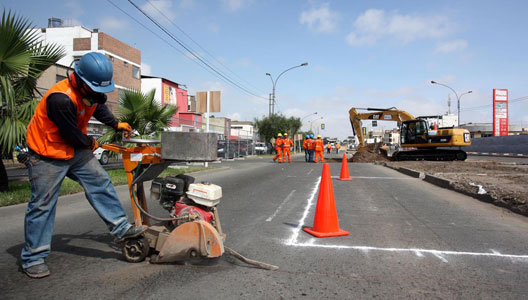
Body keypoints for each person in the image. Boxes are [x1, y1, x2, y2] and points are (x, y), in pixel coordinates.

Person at [20, 52, 145, 279]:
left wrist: (116, 124)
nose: (98, 94)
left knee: (100, 182)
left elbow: (96, 106)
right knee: (43, 204)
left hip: (73, 149)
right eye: (94, 89)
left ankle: (120, 228)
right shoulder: (61, 98)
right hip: (47, 152)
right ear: (79, 79)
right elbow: (72, 134)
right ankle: (33, 257)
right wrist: (91, 142)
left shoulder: (89, 93)